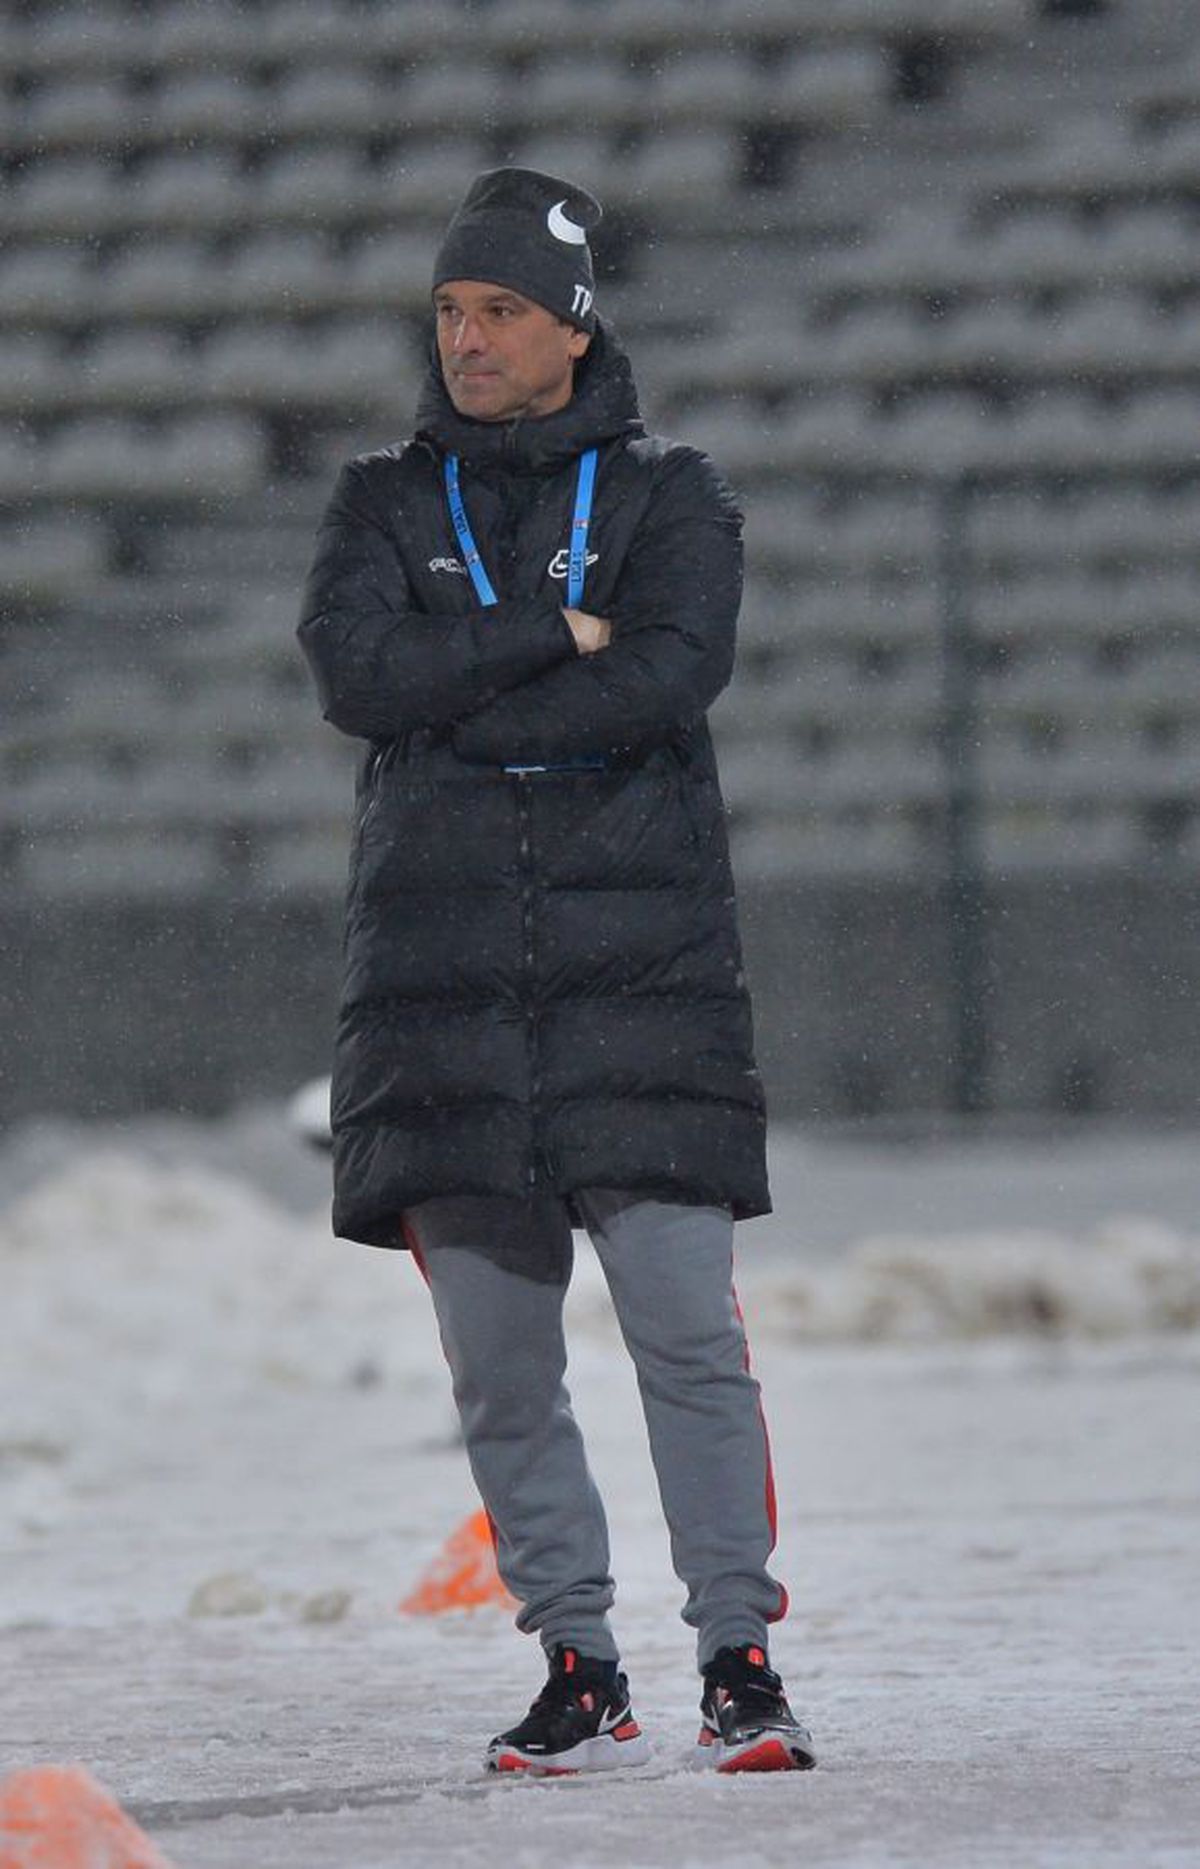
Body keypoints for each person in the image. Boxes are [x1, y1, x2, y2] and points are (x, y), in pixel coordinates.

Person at [298, 167, 815, 1777]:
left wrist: (465, 700)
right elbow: (354, 677)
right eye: (450, 311)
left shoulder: (677, 497)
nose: (466, 338)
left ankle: (739, 1653)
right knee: (499, 1371)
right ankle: (575, 1661)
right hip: (443, 999)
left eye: (500, 311)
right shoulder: (381, 497)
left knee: (686, 1338)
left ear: (573, 328)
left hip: (637, 991)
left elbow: (669, 676)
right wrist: (547, 634)